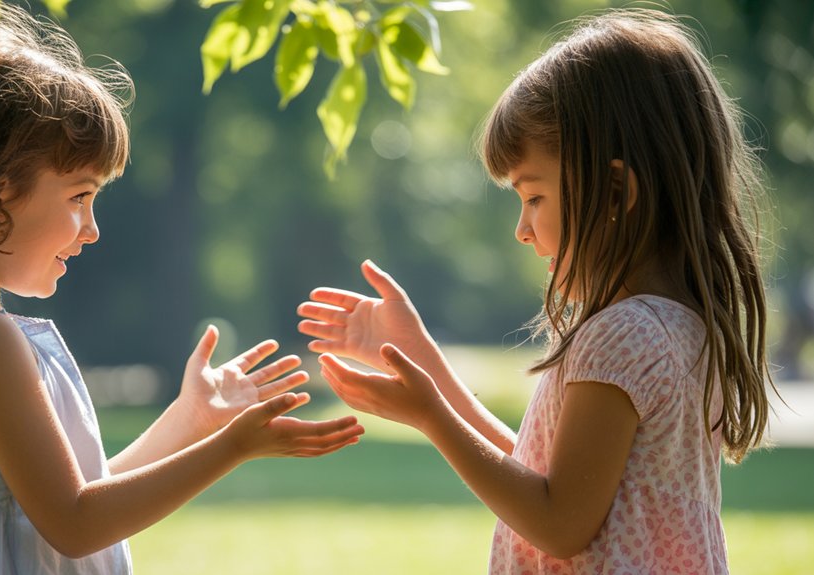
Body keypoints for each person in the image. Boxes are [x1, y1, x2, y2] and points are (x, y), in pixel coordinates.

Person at [0, 5, 363, 574]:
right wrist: (233, 447)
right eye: (79, 197)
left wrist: (190, 419)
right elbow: (76, 523)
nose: (92, 229)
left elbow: (76, 495)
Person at [301, 9, 772, 573]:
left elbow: (558, 523)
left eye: (534, 197)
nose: (522, 229)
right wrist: (422, 357)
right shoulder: (680, 328)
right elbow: (543, 476)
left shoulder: (620, 337)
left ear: (617, 190)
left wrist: (432, 417)